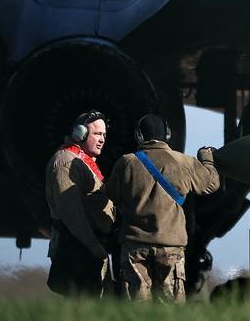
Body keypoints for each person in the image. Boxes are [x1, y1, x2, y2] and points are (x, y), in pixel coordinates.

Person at [104, 113, 220, 302]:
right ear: (167, 134)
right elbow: (211, 184)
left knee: (136, 309)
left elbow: (111, 194)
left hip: (135, 246)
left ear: (139, 136)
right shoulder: (183, 162)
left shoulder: (126, 163)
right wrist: (206, 160)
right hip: (170, 247)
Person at [44, 110, 115, 297]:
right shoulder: (66, 162)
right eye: (97, 134)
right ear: (80, 133)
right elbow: (71, 214)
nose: (102, 139)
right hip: (76, 249)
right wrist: (94, 247)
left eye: (104, 135)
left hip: (86, 248)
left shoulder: (83, 161)